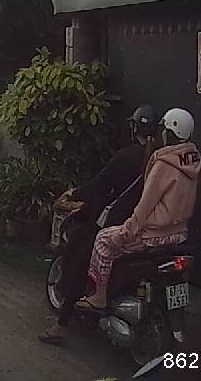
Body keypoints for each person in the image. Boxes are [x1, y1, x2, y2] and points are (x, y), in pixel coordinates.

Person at [38, 104, 157, 344]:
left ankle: (61, 324)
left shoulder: (126, 158)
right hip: (151, 228)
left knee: (79, 253)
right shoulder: (160, 161)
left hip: (120, 226)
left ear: (134, 128)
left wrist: (74, 194)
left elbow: (99, 185)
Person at [79, 108, 201, 311]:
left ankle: (99, 296)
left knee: (102, 240)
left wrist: (126, 232)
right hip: (179, 234)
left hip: (155, 234)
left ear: (169, 132)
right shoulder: (192, 161)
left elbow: (145, 207)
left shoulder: (163, 164)